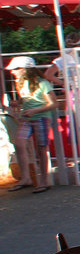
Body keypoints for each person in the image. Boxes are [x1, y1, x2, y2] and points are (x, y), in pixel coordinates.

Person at [5, 57, 57, 193]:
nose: (13, 72)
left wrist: (35, 110)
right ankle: (27, 178)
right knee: (19, 143)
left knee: (41, 148)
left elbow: (53, 104)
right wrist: (19, 103)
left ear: (26, 69)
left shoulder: (43, 83)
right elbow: (28, 98)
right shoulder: (21, 83)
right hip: (28, 117)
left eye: (16, 69)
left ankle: (44, 181)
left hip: (41, 118)